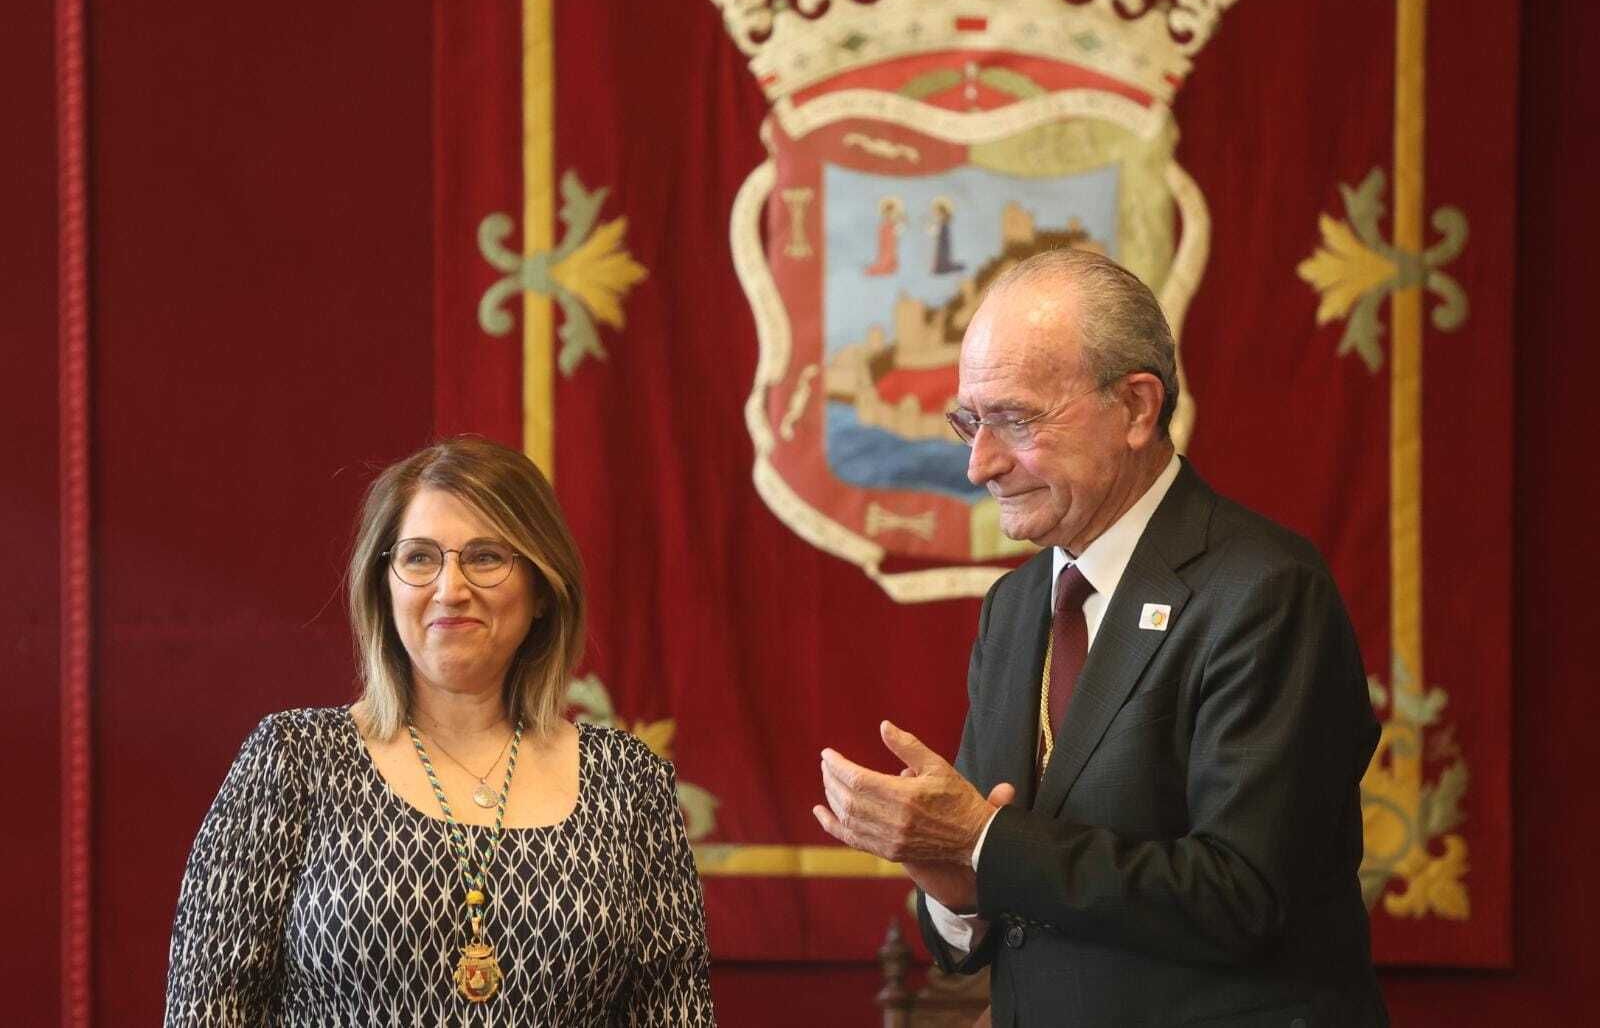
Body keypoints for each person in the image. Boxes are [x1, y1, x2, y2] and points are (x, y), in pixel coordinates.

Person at [813, 250, 1387, 1026]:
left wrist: (985, 843)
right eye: (969, 422)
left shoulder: (1265, 591)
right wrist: (955, 887)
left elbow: (1245, 895)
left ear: (1137, 408)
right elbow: (997, 899)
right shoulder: (1015, 607)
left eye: (1015, 419)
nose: (980, 463)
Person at [164, 436, 716, 1026]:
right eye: (420, 557)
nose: (450, 589)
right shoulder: (293, 761)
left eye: (485, 556)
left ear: (541, 591)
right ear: (385, 586)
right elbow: (206, 1010)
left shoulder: (628, 783)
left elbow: (674, 1013)